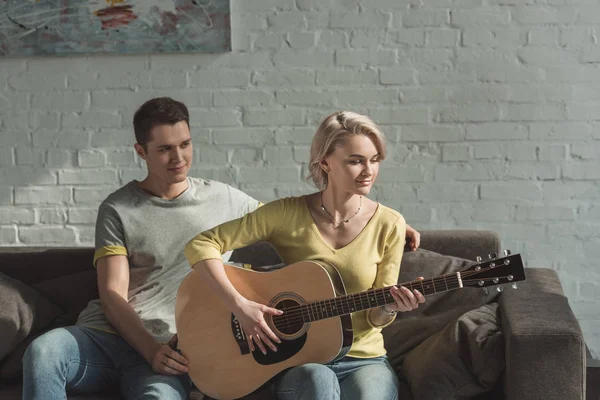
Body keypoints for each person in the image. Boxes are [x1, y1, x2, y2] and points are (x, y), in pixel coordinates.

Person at [21, 97, 262, 400]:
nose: (179, 157)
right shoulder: (117, 208)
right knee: (43, 352)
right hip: (105, 339)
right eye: (164, 149)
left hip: (172, 349)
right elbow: (112, 294)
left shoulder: (226, 199)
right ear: (141, 151)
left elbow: (287, 223)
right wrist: (149, 349)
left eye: (185, 144)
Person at [184, 110, 426, 400]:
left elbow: (375, 317)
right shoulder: (286, 214)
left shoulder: (390, 224)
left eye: (374, 160)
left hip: (364, 359)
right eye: (355, 160)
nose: (368, 171)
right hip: (303, 360)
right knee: (316, 383)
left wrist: (391, 306)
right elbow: (201, 244)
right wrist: (239, 306)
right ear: (325, 162)